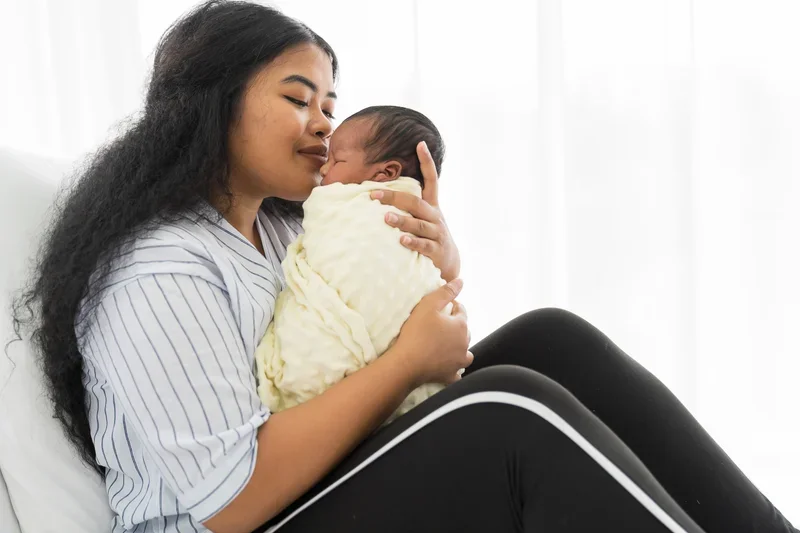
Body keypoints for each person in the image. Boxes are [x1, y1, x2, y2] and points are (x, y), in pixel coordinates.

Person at [12, 2, 796, 533]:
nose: (324, 123)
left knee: (550, 341)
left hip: (318, 487)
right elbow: (231, 498)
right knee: (506, 414)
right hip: (251, 521)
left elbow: (380, 329)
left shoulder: (290, 231)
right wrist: (405, 364)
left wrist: (433, 264)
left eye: (330, 102)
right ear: (212, 103)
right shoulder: (159, 269)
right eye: (298, 97)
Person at [256, 105, 448, 421]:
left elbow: (402, 281)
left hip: (405, 382)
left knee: (548, 329)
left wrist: (447, 263)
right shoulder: (175, 262)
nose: (325, 168)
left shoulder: (360, 210)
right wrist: (411, 359)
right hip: (347, 415)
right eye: (296, 99)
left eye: (328, 107)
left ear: (386, 174)